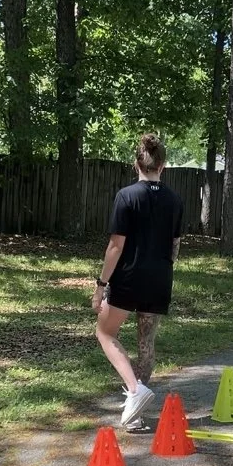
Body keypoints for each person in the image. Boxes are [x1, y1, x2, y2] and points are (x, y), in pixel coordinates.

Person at [92, 134, 184, 430]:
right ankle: (136, 413)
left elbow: (116, 246)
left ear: (137, 164)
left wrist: (101, 285)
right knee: (146, 343)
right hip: (159, 279)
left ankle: (135, 391)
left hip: (129, 279)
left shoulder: (127, 196)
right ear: (163, 166)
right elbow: (175, 246)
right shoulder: (175, 200)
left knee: (105, 333)